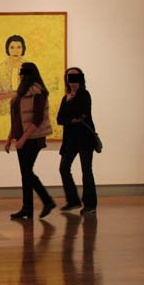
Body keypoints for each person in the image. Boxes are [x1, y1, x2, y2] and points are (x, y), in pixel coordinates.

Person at [5, 62, 56, 219]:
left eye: (22, 73)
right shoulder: (20, 93)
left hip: (33, 138)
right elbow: (16, 119)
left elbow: (38, 119)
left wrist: (23, 139)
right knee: (25, 173)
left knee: (27, 172)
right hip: (21, 137)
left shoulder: (38, 92)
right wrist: (9, 138)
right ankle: (28, 208)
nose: (20, 75)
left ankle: (46, 201)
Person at [57, 67, 98, 215]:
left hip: (85, 139)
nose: (72, 80)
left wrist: (71, 117)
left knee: (86, 170)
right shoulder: (65, 98)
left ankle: (90, 205)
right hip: (70, 140)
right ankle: (73, 200)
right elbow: (59, 119)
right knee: (63, 168)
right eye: (70, 77)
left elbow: (81, 115)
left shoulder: (85, 95)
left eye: (75, 77)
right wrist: (68, 106)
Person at [0, 35, 26, 139]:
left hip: (25, 115)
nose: (15, 51)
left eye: (19, 47)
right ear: (7, 49)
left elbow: (34, 90)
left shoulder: (28, 67)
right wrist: (13, 94)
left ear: (23, 49)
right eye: (12, 47)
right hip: (4, 115)